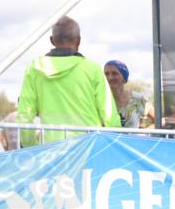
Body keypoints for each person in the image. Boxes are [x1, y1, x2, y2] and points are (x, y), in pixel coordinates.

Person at [17, 16, 120, 146]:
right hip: (88, 149)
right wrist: (114, 146)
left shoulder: (34, 69)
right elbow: (110, 115)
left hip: (51, 151)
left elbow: (25, 116)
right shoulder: (92, 69)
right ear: (78, 41)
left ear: (52, 40)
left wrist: (30, 147)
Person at [104, 59, 154, 129]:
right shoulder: (101, 99)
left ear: (124, 78)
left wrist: (144, 133)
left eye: (114, 73)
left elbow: (159, 120)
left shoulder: (137, 99)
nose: (110, 77)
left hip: (132, 140)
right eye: (106, 74)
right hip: (108, 140)